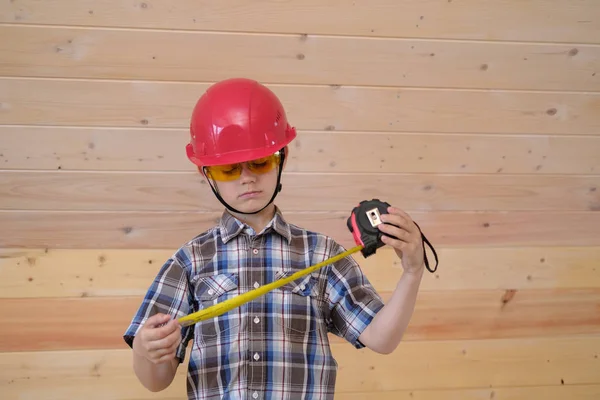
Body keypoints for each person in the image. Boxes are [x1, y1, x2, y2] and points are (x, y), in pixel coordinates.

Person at [123, 78, 436, 400]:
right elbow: (155, 382)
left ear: (281, 157)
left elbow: (381, 339)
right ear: (207, 174)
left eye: (260, 162)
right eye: (229, 169)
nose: (247, 177)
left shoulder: (321, 254)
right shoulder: (190, 261)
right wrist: (146, 352)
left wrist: (413, 272)